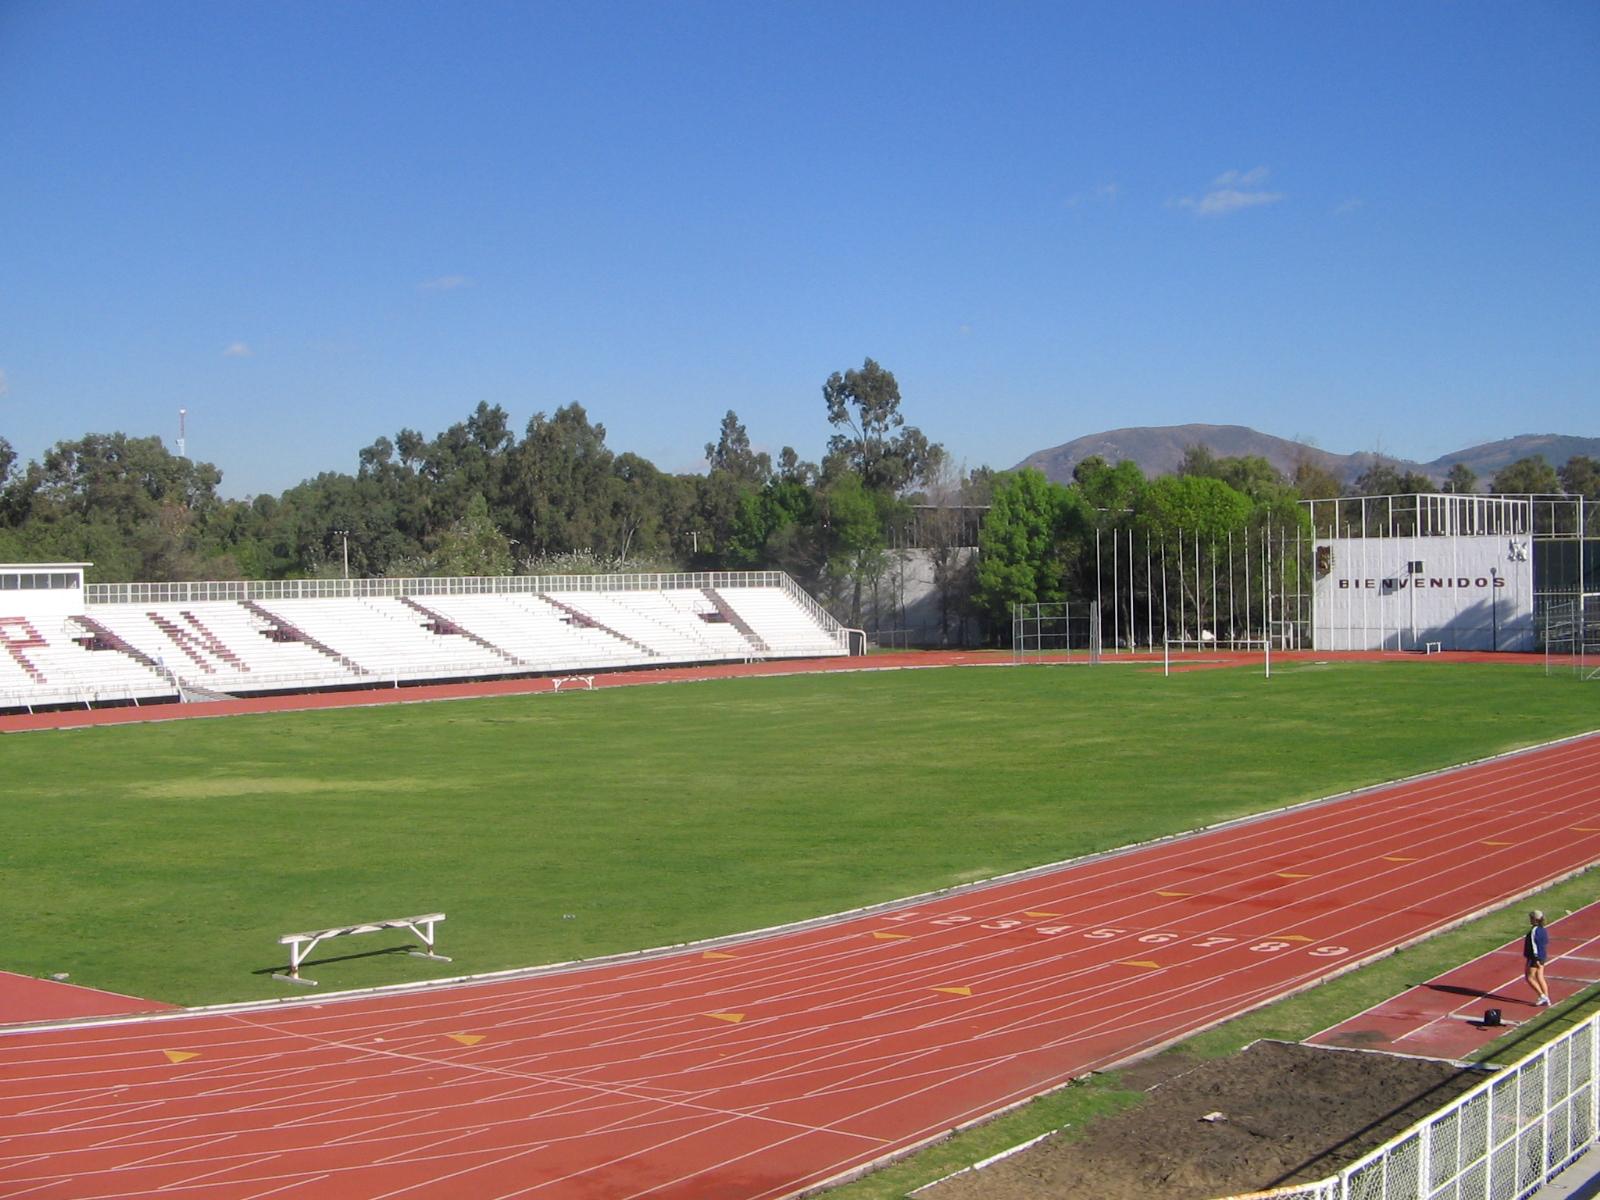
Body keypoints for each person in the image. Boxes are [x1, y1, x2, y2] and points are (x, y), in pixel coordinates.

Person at [1524, 910, 1551, 1007]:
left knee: (1529, 977)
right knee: (1540, 977)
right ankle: (1546, 997)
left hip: (1535, 957)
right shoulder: (1543, 929)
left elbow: (1533, 945)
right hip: (1543, 956)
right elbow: (1546, 942)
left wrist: (1536, 959)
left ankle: (1542, 995)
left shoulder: (1534, 931)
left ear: (1534, 919)